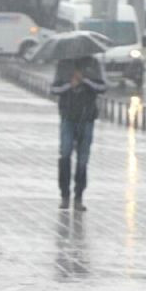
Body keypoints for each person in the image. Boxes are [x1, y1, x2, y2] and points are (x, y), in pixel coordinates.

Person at [50, 56, 106, 210]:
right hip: (68, 117)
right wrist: (70, 84)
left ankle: (79, 197)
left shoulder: (93, 63)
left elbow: (102, 88)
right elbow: (54, 89)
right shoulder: (63, 64)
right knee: (65, 154)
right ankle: (65, 195)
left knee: (83, 159)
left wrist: (85, 81)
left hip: (87, 118)